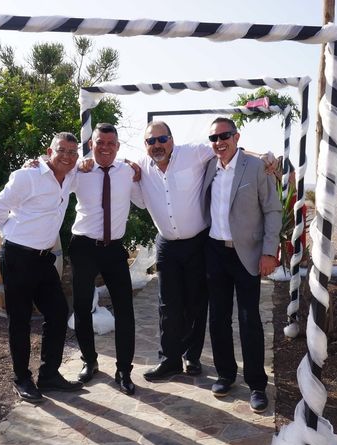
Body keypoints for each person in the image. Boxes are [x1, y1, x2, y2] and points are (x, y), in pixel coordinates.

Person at [0, 132, 84, 403]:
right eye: (61, 150)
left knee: (58, 311)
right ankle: (21, 378)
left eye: (72, 152)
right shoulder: (26, 176)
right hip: (17, 257)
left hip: (43, 258)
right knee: (20, 320)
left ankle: (49, 375)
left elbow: (91, 165)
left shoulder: (71, 176)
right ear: (49, 150)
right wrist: (12, 232)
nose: (67, 155)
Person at [201, 117, 281, 413]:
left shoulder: (256, 166)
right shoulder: (209, 165)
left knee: (249, 320)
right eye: (214, 138)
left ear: (236, 136)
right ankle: (225, 374)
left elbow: (273, 209)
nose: (219, 142)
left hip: (247, 253)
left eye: (224, 136)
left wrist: (269, 252)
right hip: (214, 252)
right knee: (218, 317)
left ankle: (257, 385)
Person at [134, 121, 215, 380]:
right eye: (151, 141)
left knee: (195, 303)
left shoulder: (193, 153)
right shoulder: (140, 168)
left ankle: (191, 357)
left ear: (172, 139)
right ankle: (169, 360)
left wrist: (264, 158)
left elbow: (228, 149)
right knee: (167, 305)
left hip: (197, 242)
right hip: (167, 245)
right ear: (145, 145)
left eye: (162, 139)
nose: (157, 145)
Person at [70, 123, 138, 395]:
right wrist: (32, 164)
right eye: (100, 143)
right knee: (82, 306)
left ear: (118, 146)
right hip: (84, 246)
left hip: (114, 249)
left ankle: (124, 370)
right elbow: (52, 168)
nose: (105, 148)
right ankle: (90, 361)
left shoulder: (128, 172)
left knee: (125, 309)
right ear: (91, 145)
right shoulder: (79, 170)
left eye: (111, 143)